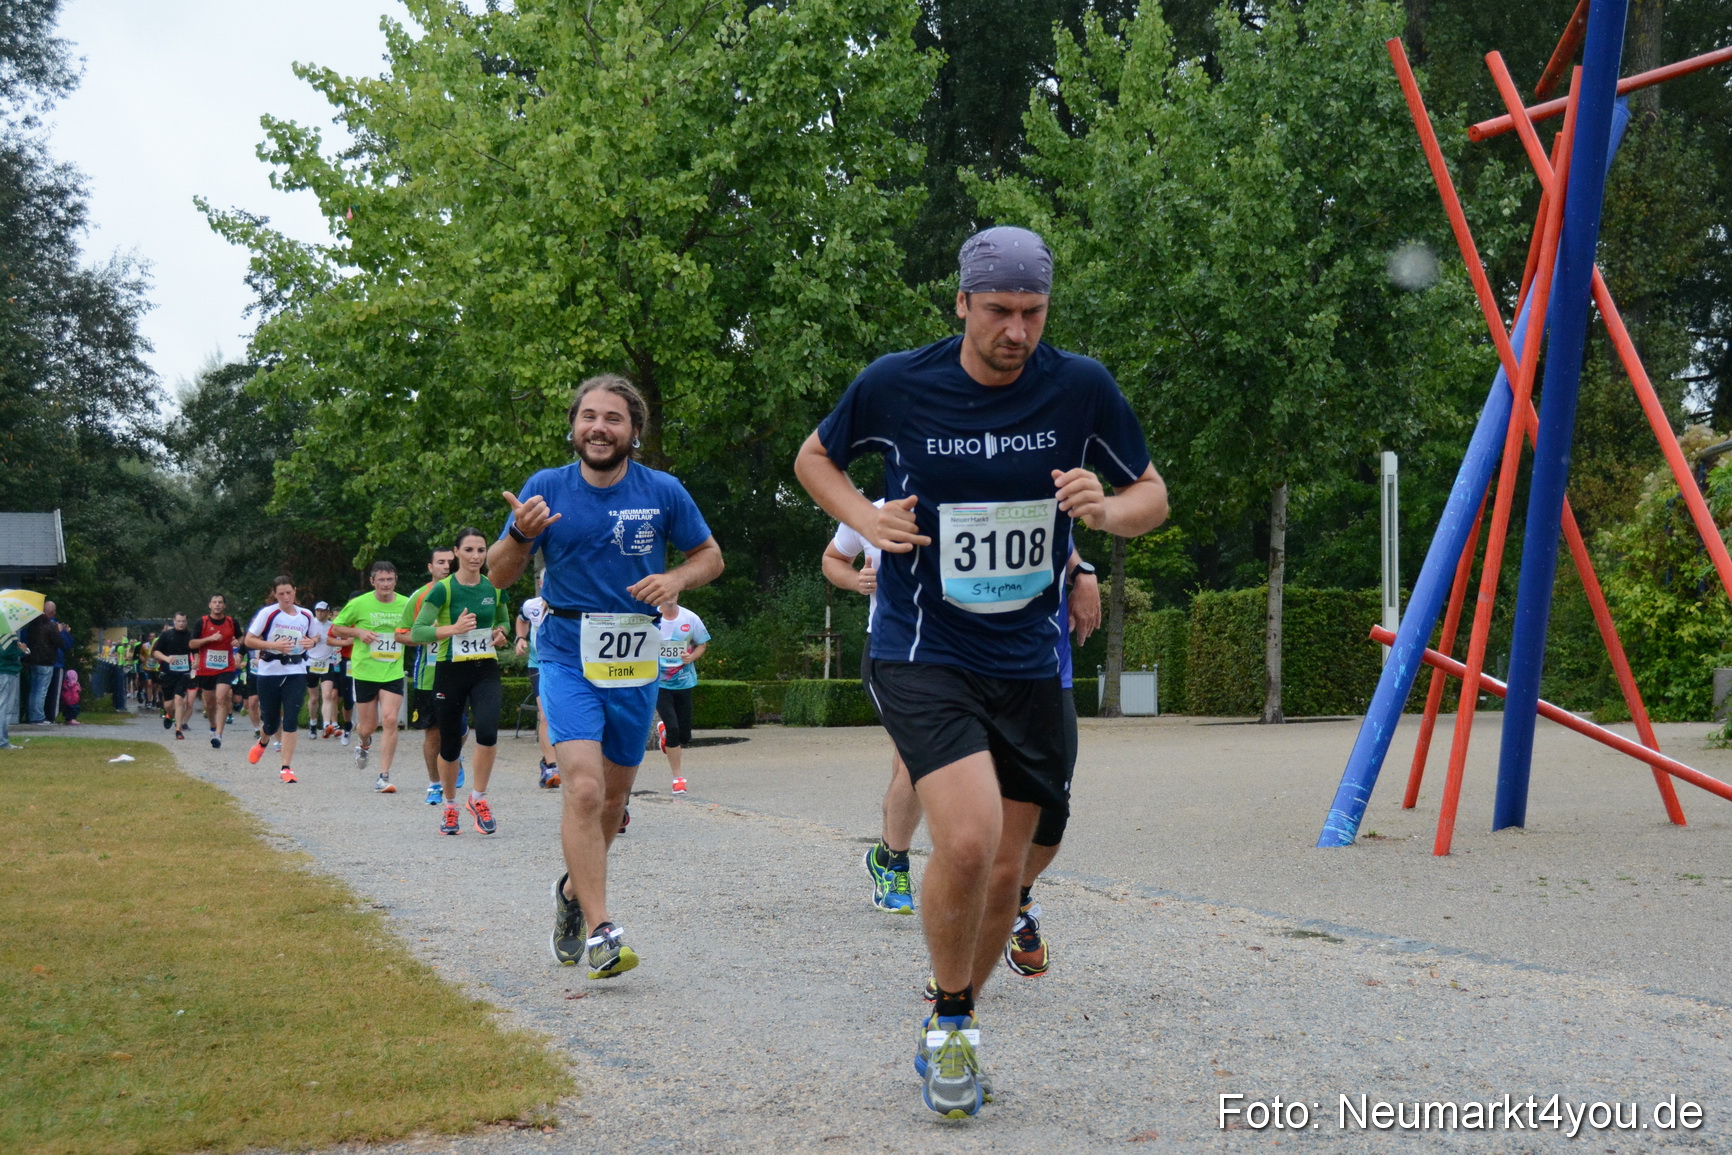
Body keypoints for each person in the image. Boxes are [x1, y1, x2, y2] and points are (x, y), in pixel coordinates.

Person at [792, 225, 1168, 1118]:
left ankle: (955, 1010)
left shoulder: (1081, 387)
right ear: (962, 302)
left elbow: (1152, 495)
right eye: (998, 310)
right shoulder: (898, 381)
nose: (1017, 330)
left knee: (1009, 870)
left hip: (1032, 659)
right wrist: (864, 518)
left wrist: (1105, 513)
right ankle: (950, 1021)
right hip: (925, 649)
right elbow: (814, 458)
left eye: (1032, 312)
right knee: (964, 838)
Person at [488, 373, 723, 981]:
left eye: (613, 418)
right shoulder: (545, 488)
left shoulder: (663, 491)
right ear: (574, 426)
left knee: (614, 803)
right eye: (588, 415)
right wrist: (519, 534)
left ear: (634, 432)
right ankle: (601, 929)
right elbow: (498, 576)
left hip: (635, 658)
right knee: (585, 790)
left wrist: (675, 581)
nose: (599, 426)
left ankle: (570, 895)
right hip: (567, 653)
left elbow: (710, 557)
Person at [410, 530, 510, 835]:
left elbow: (504, 620)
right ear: (457, 553)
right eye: (469, 549)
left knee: (489, 731)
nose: (476, 556)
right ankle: (450, 806)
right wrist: (452, 629)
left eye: (481, 550)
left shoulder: (494, 587)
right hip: (450, 670)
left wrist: (501, 633)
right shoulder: (443, 590)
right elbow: (418, 631)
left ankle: (478, 799)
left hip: (485, 668)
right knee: (450, 743)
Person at [331, 562, 410, 793]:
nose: (386, 584)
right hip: (365, 671)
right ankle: (364, 744)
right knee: (367, 727)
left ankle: (383, 776)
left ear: (395, 581)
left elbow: (421, 627)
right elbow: (336, 628)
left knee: (390, 719)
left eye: (390, 580)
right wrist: (359, 632)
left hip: (392, 671)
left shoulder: (406, 604)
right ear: (372, 581)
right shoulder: (359, 603)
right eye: (381, 580)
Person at [244, 578, 323, 783]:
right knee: (270, 723)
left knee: (290, 719)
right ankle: (263, 742)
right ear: (275, 595)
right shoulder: (268, 613)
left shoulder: (306, 614)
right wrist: (274, 645)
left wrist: (310, 642)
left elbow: (316, 638)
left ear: (295, 591)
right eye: (281, 594)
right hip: (269, 672)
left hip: (295, 671)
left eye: (289, 592)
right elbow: (249, 640)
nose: (286, 597)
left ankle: (286, 767)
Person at [402, 546, 462, 805]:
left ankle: (454, 759)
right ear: (430, 567)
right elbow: (401, 634)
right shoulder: (419, 596)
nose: (446, 566)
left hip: (462, 669)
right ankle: (435, 783)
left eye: (450, 561)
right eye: (440, 562)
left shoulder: (466, 589)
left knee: (460, 728)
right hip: (429, 675)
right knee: (433, 732)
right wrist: (431, 632)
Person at [654, 599, 708, 792]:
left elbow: (702, 644)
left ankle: (665, 733)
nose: (670, 597)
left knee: (684, 735)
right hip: (659, 682)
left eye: (673, 592)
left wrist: (692, 657)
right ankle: (678, 778)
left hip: (684, 681)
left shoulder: (690, 618)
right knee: (674, 728)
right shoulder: (651, 617)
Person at [515, 572, 559, 788]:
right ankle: (551, 766)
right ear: (541, 583)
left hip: (564, 665)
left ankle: (553, 760)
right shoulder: (531, 605)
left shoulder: (571, 604)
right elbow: (521, 620)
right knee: (545, 715)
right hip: (538, 664)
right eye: (546, 581)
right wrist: (520, 638)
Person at [190, 594, 241, 749]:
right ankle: (213, 725)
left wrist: (238, 642)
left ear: (224, 606)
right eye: (215, 602)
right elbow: (192, 643)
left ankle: (218, 734)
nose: (217, 605)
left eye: (220, 602)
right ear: (210, 605)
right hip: (206, 668)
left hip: (226, 667)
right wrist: (209, 639)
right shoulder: (202, 622)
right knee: (210, 702)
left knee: (221, 698)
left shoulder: (232, 622)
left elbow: (243, 638)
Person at [152, 613, 196, 739]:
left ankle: (178, 729)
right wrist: (166, 658)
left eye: (183, 621)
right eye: (178, 621)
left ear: (186, 621)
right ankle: (169, 714)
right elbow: (156, 652)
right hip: (168, 673)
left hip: (184, 673)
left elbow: (196, 651)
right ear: (174, 621)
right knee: (168, 704)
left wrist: (196, 661)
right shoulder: (166, 635)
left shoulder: (190, 635)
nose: (181, 623)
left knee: (179, 699)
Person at [304, 602, 343, 739]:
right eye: (317, 611)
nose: (320, 613)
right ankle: (313, 723)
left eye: (322, 611)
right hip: (311, 663)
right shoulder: (309, 625)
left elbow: (337, 641)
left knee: (327, 695)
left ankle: (326, 725)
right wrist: (311, 639)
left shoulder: (332, 627)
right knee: (314, 698)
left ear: (328, 612)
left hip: (327, 663)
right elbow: (301, 641)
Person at [22, 600, 60, 723]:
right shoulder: (51, 625)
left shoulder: (33, 624)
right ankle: (38, 717)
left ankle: (32, 715)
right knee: (41, 690)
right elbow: (60, 643)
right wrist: (60, 631)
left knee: (34, 689)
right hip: (46, 661)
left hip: (33, 660)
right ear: (53, 612)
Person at [0, 628, 22, 748]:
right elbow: (6, 652)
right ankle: (2, 740)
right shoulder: (6, 631)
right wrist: (20, 650)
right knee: (5, 707)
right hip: (5, 671)